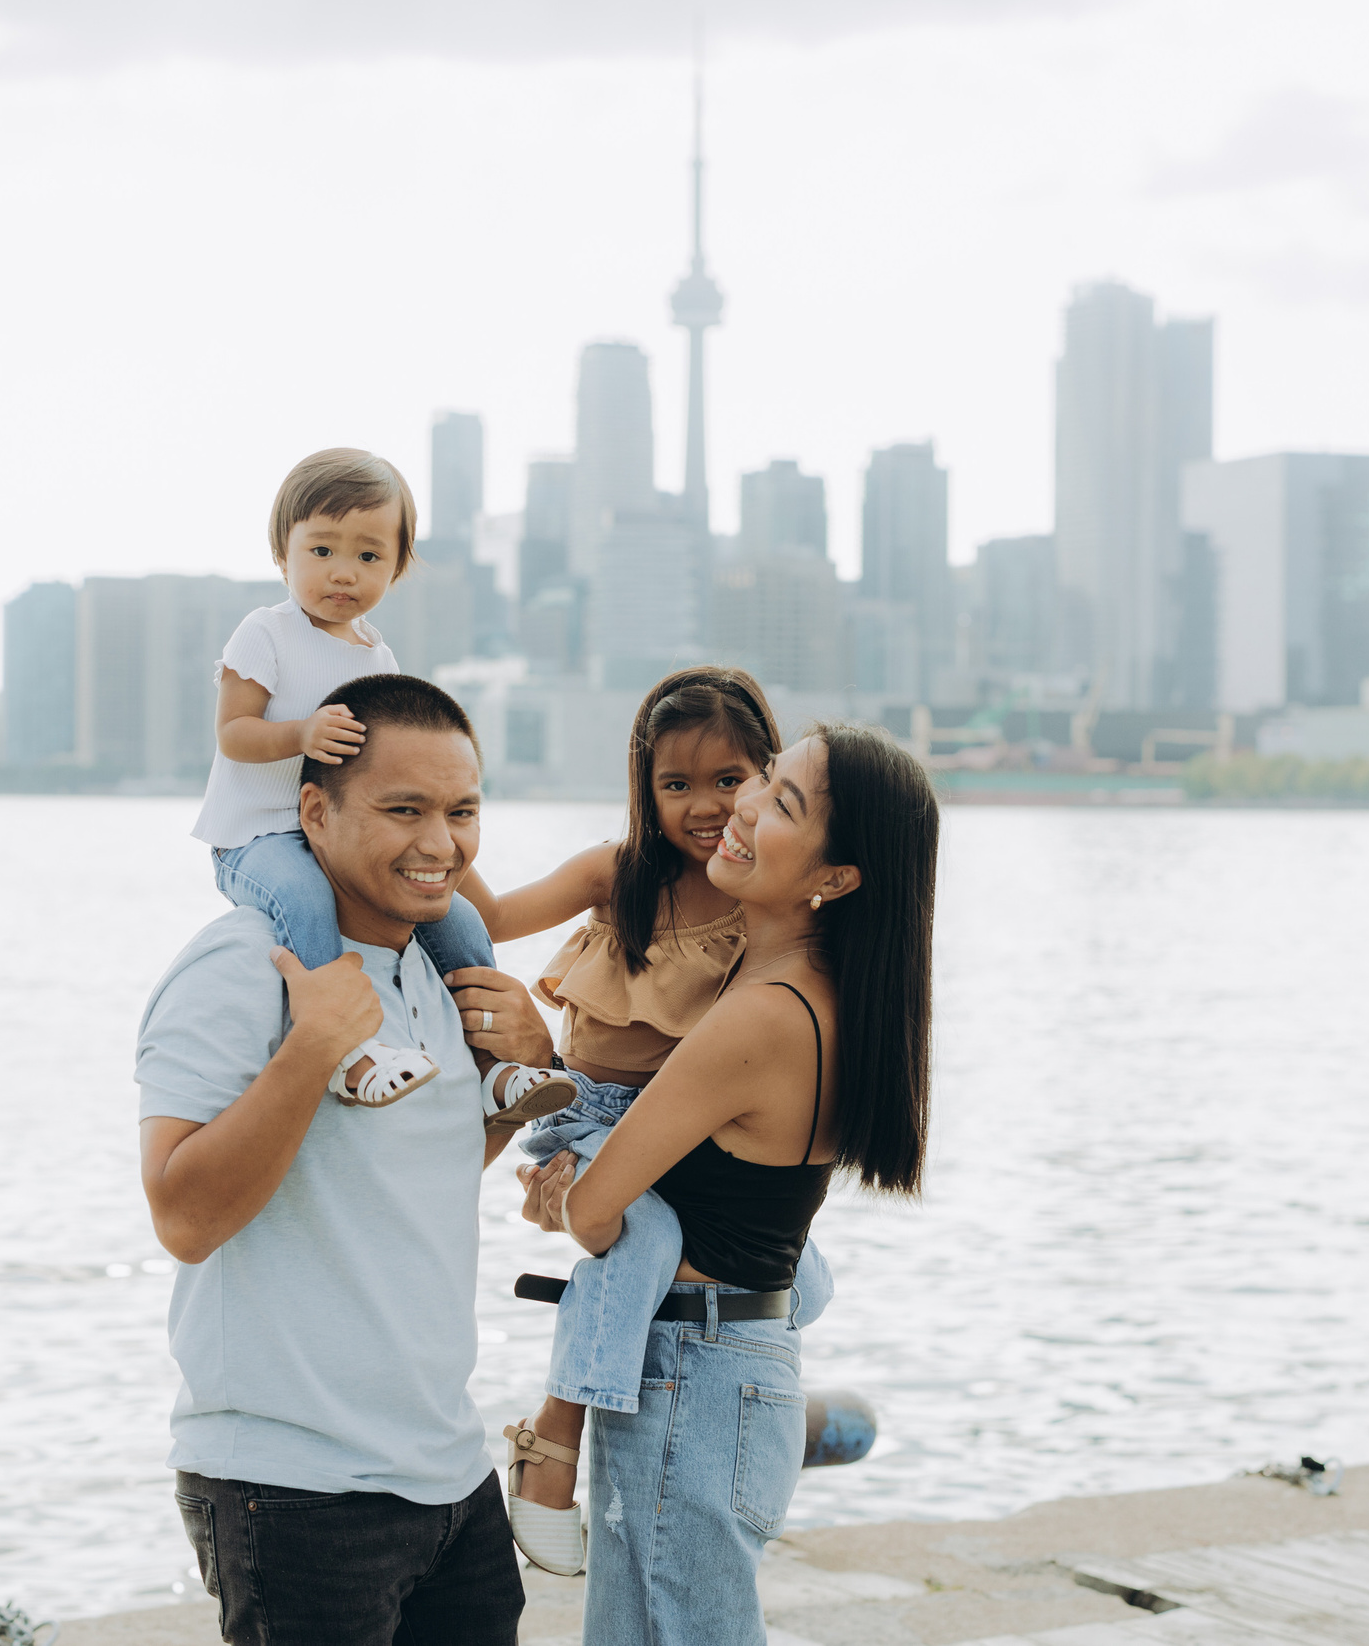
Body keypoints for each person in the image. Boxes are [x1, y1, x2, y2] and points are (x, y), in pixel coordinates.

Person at [137, 674, 564, 1646]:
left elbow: (416, 1165)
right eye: (402, 809)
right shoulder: (243, 967)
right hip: (290, 1489)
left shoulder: (437, 966)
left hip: (450, 1476)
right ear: (314, 813)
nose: (439, 843)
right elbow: (182, 1217)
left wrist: (524, 1067)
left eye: (462, 812)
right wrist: (308, 1052)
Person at [520, 723, 938, 1645]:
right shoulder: (820, 990)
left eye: (782, 803)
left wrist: (562, 1177)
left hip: (693, 1382)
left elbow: (595, 1215)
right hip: (726, 1369)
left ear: (835, 877)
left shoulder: (761, 1015)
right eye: (767, 779)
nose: (741, 808)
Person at [454, 667, 830, 1577]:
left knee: (803, 1280)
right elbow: (496, 915)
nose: (705, 806)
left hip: (686, 1133)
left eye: (731, 780)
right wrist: (439, 823)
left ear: (768, 780)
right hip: (586, 1113)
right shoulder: (617, 874)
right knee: (644, 1238)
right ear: (644, 786)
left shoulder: (766, 904)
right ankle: (555, 1435)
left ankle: (736, 1404)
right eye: (676, 784)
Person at [191, 446, 573, 1123]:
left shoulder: (377, 654)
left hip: (341, 837)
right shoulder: (265, 632)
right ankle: (349, 1052)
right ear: (284, 553)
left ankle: (494, 1069)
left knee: (459, 921)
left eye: (369, 556)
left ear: (397, 568)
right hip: (258, 839)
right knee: (305, 899)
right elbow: (234, 734)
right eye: (322, 550)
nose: (343, 572)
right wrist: (300, 735)